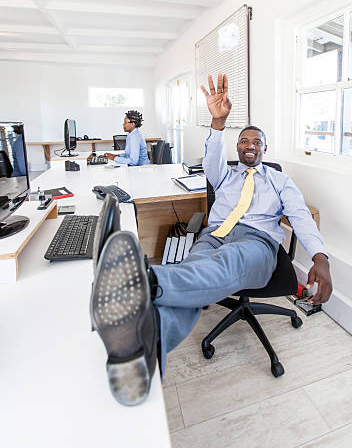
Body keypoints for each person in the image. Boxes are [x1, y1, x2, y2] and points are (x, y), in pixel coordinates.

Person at [91, 73, 332, 406]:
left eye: (257, 142)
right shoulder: (224, 173)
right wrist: (218, 122)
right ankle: (145, 347)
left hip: (257, 243)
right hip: (215, 234)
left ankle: (145, 280)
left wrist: (320, 257)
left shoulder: (280, 180)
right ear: (237, 146)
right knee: (197, 266)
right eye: (245, 141)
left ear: (265, 148)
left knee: (226, 262)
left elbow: (301, 216)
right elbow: (212, 157)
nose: (250, 145)